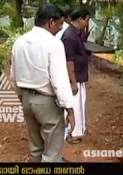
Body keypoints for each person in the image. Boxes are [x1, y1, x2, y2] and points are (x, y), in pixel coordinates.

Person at [10, 4, 75, 162]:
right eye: (59, 24)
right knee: (52, 151)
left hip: (26, 99)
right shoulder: (54, 44)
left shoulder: (19, 42)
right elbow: (59, 80)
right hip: (47, 102)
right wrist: (70, 109)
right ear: (51, 22)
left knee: (35, 147)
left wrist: (21, 96)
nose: (60, 29)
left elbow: (13, 74)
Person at [61, 7, 91, 144]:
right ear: (80, 19)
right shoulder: (69, 36)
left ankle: (75, 130)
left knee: (77, 106)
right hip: (75, 78)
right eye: (87, 19)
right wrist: (73, 82)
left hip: (79, 77)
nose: (87, 23)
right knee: (75, 107)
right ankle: (72, 133)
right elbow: (69, 61)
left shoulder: (76, 34)